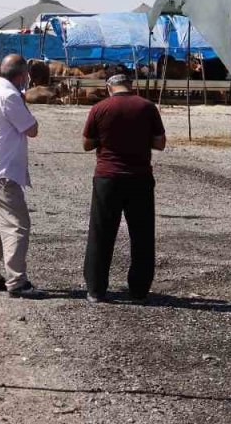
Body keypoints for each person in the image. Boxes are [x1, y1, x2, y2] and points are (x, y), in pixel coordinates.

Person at [81, 72, 166, 304]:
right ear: (131, 85)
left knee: (101, 233)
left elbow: (87, 144)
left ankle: (96, 289)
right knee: (142, 235)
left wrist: (104, 140)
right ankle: (139, 290)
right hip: (140, 177)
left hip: (107, 177)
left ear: (109, 87)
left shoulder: (99, 108)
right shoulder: (147, 107)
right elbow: (160, 143)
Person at [0, 54, 43, 299]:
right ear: (22, 75)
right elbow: (32, 129)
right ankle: (17, 281)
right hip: (3, 171)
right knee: (17, 225)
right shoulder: (11, 96)